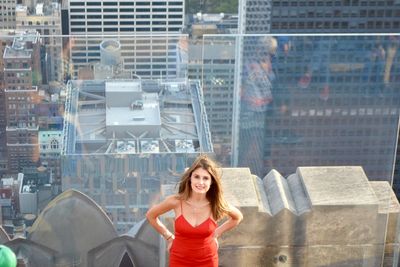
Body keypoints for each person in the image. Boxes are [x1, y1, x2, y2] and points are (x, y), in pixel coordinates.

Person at [146, 155, 243, 267]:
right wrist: (168, 236)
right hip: (179, 260)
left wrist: (216, 233)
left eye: (205, 178)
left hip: (208, 260)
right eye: (196, 177)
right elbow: (151, 215)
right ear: (190, 178)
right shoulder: (176, 201)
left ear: (211, 182)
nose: (200, 182)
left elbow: (237, 217)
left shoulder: (216, 203)